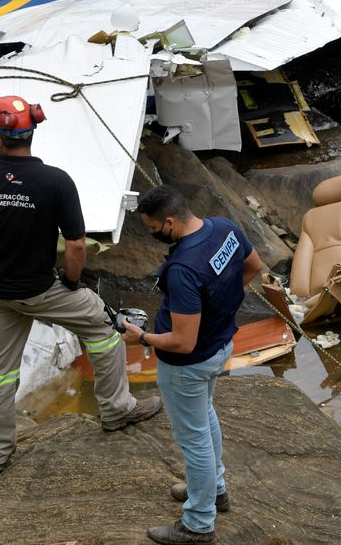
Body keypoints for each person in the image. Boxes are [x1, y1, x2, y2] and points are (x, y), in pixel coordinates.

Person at [0, 94, 162, 475]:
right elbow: (77, 245)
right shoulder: (56, 181)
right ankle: (117, 409)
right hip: (41, 290)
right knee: (103, 327)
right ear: (32, 132)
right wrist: (72, 282)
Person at [121, 185, 265, 545]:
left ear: (170, 222)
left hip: (189, 362)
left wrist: (141, 338)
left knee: (194, 439)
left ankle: (199, 523)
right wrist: (220, 305)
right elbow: (254, 266)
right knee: (205, 416)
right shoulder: (224, 228)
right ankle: (214, 489)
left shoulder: (183, 269)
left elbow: (182, 342)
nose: (152, 234)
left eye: (153, 228)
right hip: (221, 344)